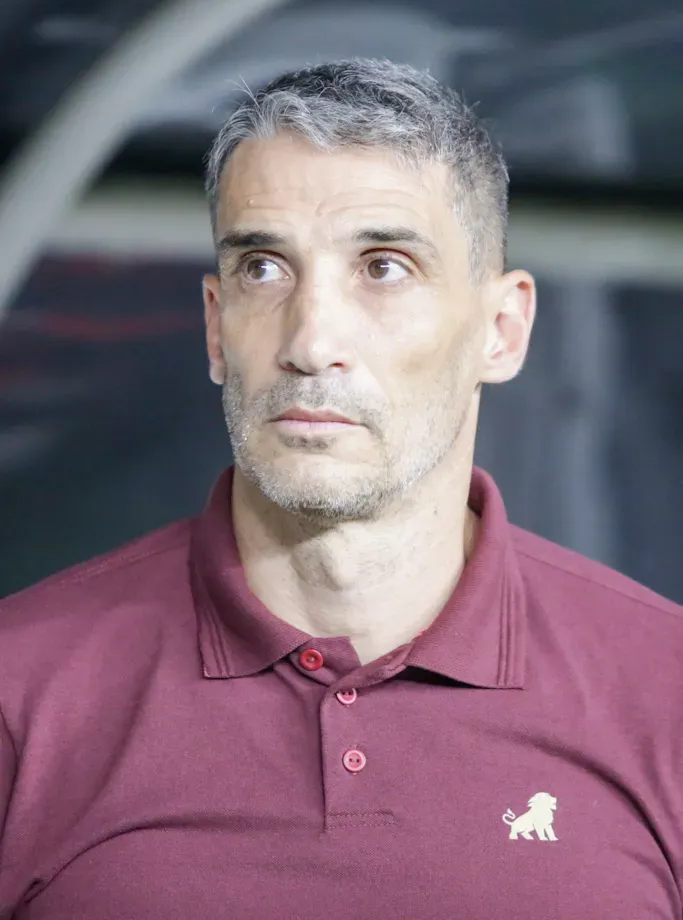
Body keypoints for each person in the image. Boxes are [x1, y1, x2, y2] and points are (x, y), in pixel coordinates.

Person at [0, 58, 681, 920]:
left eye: (383, 266)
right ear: (216, 328)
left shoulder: (666, 694)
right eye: (264, 269)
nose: (312, 340)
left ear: (501, 332)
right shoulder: (20, 694)